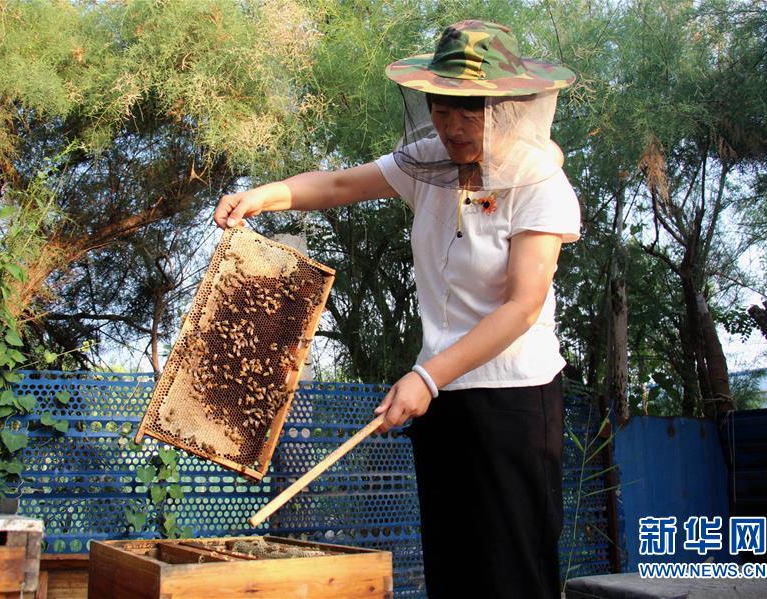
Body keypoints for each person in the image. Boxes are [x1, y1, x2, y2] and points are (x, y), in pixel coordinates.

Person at [214, 20, 579, 599]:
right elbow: (336, 186)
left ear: (507, 106)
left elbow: (522, 305)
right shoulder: (429, 162)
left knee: (512, 574)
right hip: (442, 401)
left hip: (514, 404)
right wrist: (261, 196)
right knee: (455, 567)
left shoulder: (540, 184)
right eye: (441, 106)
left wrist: (427, 377)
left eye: (470, 110)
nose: (453, 126)